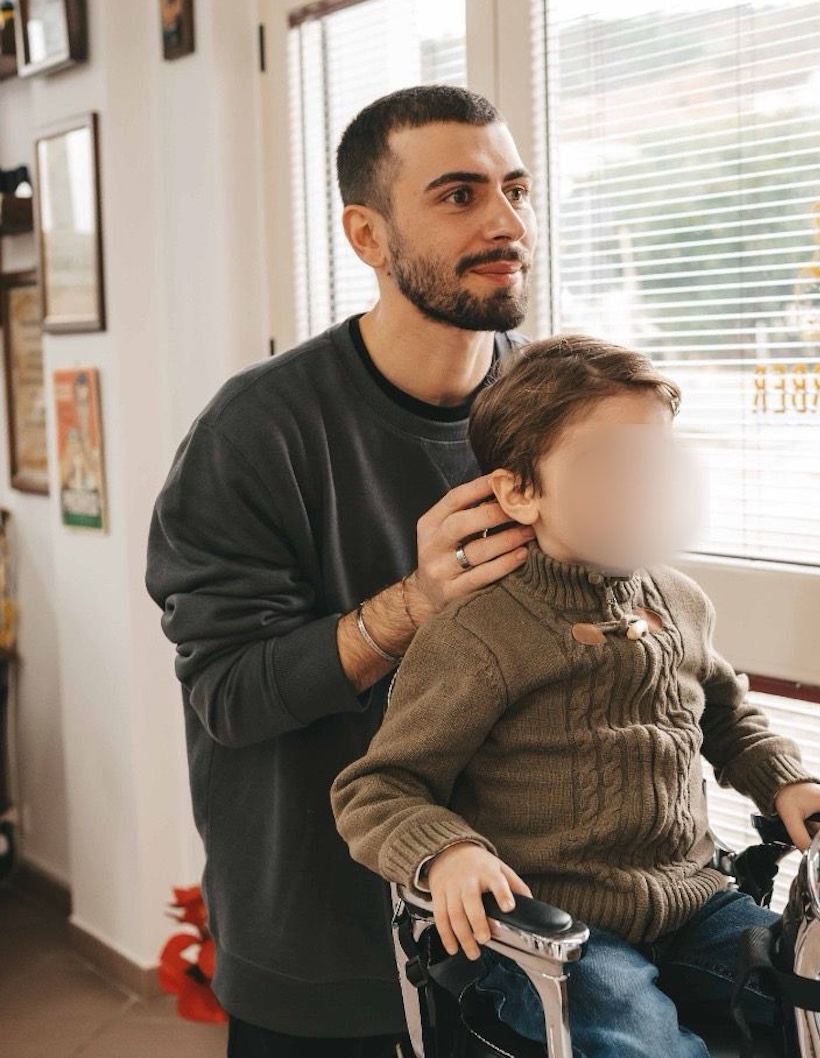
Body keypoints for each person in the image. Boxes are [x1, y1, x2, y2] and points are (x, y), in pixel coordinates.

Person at [331, 335, 820, 1058]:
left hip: (696, 902)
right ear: (518, 490)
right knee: (646, 1047)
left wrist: (787, 782)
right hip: (559, 931)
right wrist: (449, 853)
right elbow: (377, 788)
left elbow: (723, 712)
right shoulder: (480, 636)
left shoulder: (681, 602)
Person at [146, 85, 538, 1057]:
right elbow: (229, 694)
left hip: (515, 928)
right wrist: (418, 602)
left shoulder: (548, 408)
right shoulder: (255, 431)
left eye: (515, 189)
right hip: (325, 952)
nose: (504, 221)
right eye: (457, 195)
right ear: (367, 235)